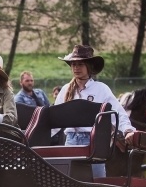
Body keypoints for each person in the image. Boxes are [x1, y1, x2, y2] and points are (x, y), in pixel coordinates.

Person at [55, 44, 135, 178]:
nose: (76, 68)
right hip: (70, 141)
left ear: (89, 66)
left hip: (93, 142)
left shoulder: (101, 89)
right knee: (68, 182)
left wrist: (127, 130)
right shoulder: (66, 90)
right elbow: (55, 118)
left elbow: (118, 112)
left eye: (80, 64)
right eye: (73, 64)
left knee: (97, 182)